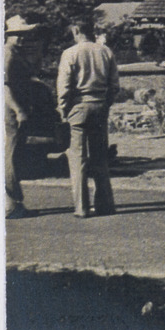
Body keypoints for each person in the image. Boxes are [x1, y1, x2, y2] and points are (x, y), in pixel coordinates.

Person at [57, 19, 119, 218]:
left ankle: (82, 207)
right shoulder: (106, 51)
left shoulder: (70, 53)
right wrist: (106, 103)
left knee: (78, 159)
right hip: (100, 104)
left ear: (76, 31)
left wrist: (63, 110)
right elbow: (115, 85)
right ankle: (105, 204)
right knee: (100, 157)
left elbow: (64, 86)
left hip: (78, 106)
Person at [3, 15, 41, 219]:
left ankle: (11, 203)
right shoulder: (8, 54)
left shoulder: (15, 53)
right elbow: (4, 87)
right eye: (21, 34)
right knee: (10, 157)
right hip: (11, 112)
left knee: (12, 156)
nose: (25, 38)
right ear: (12, 35)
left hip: (13, 111)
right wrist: (19, 110)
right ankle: (11, 204)